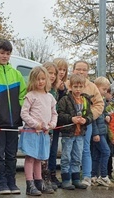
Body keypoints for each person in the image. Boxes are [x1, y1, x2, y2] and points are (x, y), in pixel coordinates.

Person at [0, 39, 26, 195]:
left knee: (11, 153)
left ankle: (12, 182)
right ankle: (1, 183)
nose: (5, 56)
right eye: (2, 53)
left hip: (14, 121)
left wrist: (18, 111)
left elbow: (23, 94)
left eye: (7, 54)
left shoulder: (16, 74)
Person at [19, 66, 58, 195]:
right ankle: (30, 184)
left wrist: (52, 124)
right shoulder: (30, 96)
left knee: (39, 158)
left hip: (44, 133)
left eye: (43, 79)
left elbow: (54, 113)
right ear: (32, 81)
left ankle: (39, 182)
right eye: (37, 79)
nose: (40, 82)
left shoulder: (50, 97)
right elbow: (24, 114)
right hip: (32, 133)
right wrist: (35, 124)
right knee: (31, 157)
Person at [66, 61, 104, 187]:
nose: (81, 72)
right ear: (73, 70)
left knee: (85, 149)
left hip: (85, 124)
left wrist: (87, 117)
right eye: (78, 69)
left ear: (88, 72)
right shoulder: (67, 84)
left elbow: (99, 104)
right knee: (69, 150)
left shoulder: (92, 87)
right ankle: (69, 176)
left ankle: (86, 176)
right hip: (70, 124)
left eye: (84, 70)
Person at [57, 74, 93, 190]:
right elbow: (60, 114)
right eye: (75, 87)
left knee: (77, 157)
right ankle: (66, 179)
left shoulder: (86, 100)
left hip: (80, 133)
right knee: (66, 156)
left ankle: (76, 178)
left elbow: (90, 115)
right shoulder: (65, 100)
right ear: (71, 86)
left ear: (84, 87)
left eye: (80, 87)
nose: (78, 89)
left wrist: (85, 120)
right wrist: (71, 119)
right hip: (68, 133)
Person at [48, 57, 69, 188]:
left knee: (54, 150)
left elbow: (61, 104)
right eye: (58, 69)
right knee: (48, 150)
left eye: (63, 70)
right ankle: (46, 175)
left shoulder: (62, 87)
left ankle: (52, 174)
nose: (61, 72)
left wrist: (62, 91)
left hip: (56, 123)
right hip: (47, 122)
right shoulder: (48, 86)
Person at [40, 61, 60, 192]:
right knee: (41, 155)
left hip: (51, 128)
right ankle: (40, 178)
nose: (52, 76)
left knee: (49, 153)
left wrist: (52, 123)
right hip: (40, 127)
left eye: (54, 73)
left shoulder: (54, 91)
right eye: (49, 73)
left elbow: (54, 111)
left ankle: (47, 178)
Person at [91, 77, 113, 187]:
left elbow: (103, 113)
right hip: (98, 132)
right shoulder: (93, 100)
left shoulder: (102, 100)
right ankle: (104, 176)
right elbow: (93, 119)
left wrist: (107, 116)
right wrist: (95, 133)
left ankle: (94, 175)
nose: (105, 92)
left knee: (97, 154)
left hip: (103, 130)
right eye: (104, 89)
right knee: (106, 152)